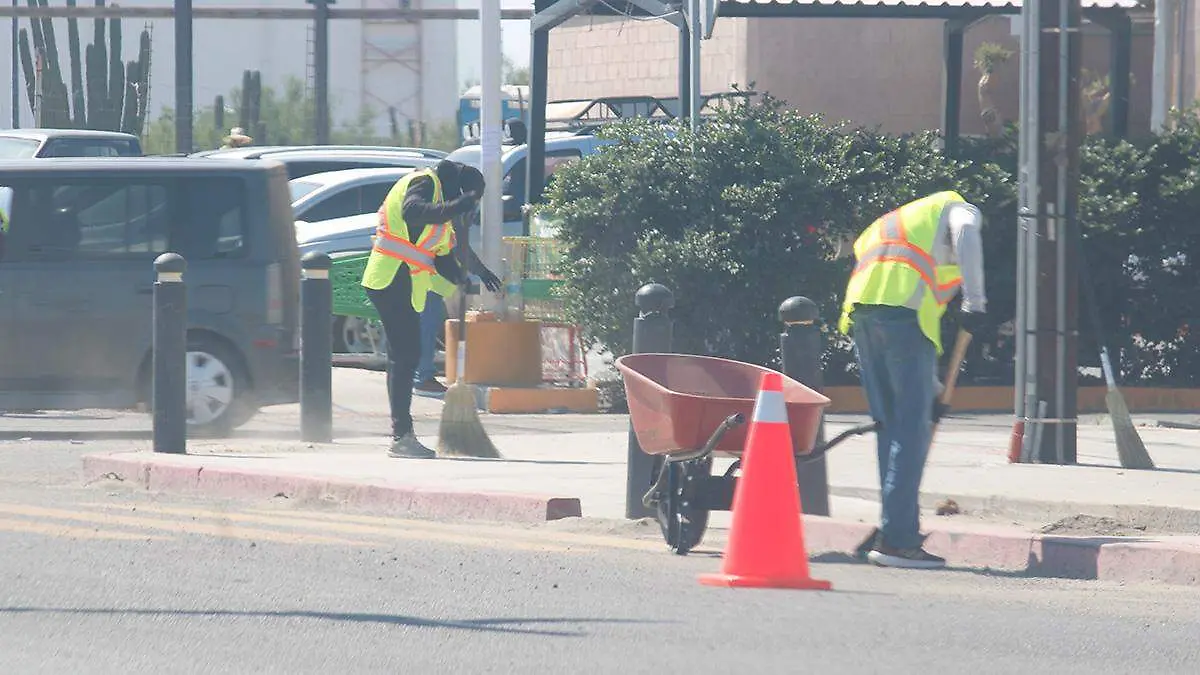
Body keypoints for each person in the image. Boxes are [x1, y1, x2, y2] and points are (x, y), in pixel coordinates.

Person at [837, 190, 989, 569]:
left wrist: (933, 388)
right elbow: (968, 231)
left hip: (864, 317)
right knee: (909, 430)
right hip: (903, 319)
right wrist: (975, 301)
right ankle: (899, 539)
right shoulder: (957, 208)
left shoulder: (898, 226)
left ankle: (893, 526)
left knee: (891, 427)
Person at [361, 159, 495, 458]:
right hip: (390, 277)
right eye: (468, 201)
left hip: (404, 283)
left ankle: (402, 435)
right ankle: (401, 436)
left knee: (405, 355)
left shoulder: (442, 211)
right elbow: (412, 211)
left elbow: (442, 258)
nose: (467, 210)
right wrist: (458, 204)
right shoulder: (424, 183)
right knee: (405, 355)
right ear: (457, 189)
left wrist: (461, 278)